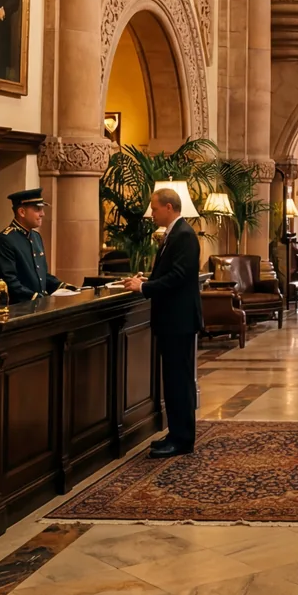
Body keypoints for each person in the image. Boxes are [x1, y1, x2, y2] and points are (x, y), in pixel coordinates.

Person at [124, 188, 204, 456]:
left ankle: (182, 440)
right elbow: (169, 273)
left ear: (169, 208)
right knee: (172, 380)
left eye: (155, 208)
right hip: (171, 320)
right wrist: (147, 281)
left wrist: (144, 289)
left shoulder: (184, 235)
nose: (152, 213)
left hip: (179, 320)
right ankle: (176, 432)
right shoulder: (174, 234)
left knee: (179, 381)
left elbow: (178, 277)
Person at [0, 189, 63, 303]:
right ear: (22, 212)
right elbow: (9, 283)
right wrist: (37, 299)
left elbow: (41, 275)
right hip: (18, 311)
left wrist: (63, 286)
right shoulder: (5, 241)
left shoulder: (36, 237)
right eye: (37, 209)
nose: (42, 214)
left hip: (37, 307)